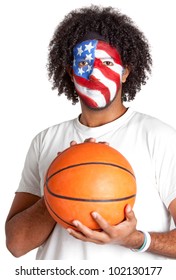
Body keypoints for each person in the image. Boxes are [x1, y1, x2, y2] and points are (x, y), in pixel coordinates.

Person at [5, 5, 176, 260]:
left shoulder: (159, 136)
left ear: (125, 71)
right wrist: (57, 184)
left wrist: (135, 239)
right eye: (84, 62)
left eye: (107, 62)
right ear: (71, 72)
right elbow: (16, 245)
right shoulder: (45, 141)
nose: (94, 72)